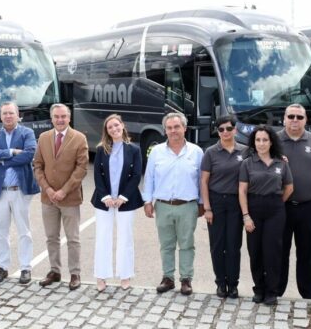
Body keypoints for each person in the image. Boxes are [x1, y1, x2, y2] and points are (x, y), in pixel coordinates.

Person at [142, 112, 204, 296]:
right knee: (166, 244)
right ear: (165, 130)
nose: (173, 131)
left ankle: (186, 279)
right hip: (163, 205)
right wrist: (148, 201)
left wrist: (201, 203)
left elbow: (202, 180)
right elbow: (149, 177)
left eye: (177, 127)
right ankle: (167, 278)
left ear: (184, 128)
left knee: (186, 244)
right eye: (169, 128)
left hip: (187, 206)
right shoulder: (156, 152)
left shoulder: (196, 152)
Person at [33, 103, 89, 291]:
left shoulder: (79, 138)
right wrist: (47, 189)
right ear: (52, 119)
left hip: (70, 198)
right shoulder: (43, 138)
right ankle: (54, 271)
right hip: (48, 198)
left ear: (69, 117)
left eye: (63, 116)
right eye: (56, 117)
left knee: (73, 238)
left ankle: (75, 273)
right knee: (51, 237)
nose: (60, 120)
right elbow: (38, 166)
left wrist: (64, 190)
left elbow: (81, 169)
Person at [0, 102, 40, 284]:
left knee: (24, 231)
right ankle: (2, 266)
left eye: (11, 113)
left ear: (18, 115)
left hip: (20, 191)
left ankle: (25, 268)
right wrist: (11, 152)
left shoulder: (27, 133)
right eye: (5, 113)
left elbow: (29, 155)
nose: (8, 116)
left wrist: (2, 158)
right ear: (0, 116)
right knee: (1, 231)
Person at [276, 103, 311, 299]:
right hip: (282, 207)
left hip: (309, 206)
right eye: (291, 117)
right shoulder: (273, 141)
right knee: (279, 251)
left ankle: (308, 293)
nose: (295, 120)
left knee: (308, 252)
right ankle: (276, 290)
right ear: (284, 119)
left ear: (306, 120)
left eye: (299, 117)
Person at [239, 125, 294, 305]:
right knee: (255, 251)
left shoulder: (281, 162)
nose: (261, 143)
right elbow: (242, 191)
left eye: (265, 140)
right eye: (258, 140)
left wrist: (277, 204)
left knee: (273, 251)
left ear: (271, 142)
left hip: (275, 210)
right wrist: (246, 216)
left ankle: (272, 291)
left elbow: (289, 187)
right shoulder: (247, 163)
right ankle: (259, 289)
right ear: (254, 142)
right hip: (253, 208)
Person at [90, 114, 143, 292]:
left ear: (122, 125)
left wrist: (123, 197)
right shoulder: (101, 150)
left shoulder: (134, 149)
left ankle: (125, 275)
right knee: (102, 238)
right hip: (104, 201)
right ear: (107, 131)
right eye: (110, 127)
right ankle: (101, 276)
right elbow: (97, 174)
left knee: (125, 238)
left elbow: (136, 175)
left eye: (116, 125)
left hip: (125, 201)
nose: (114, 129)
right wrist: (105, 197)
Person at [199, 115, 248, 298]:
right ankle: (220, 283)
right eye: (221, 129)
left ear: (235, 129)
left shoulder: (245, 152)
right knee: (217, 245)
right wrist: (208, 208)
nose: (225, 132)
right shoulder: (211, 152)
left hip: (236, 203)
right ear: (217, 132)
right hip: (217, 202)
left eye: (229, 128)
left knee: (234, 245)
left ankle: (233, 284)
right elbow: (204, 181)